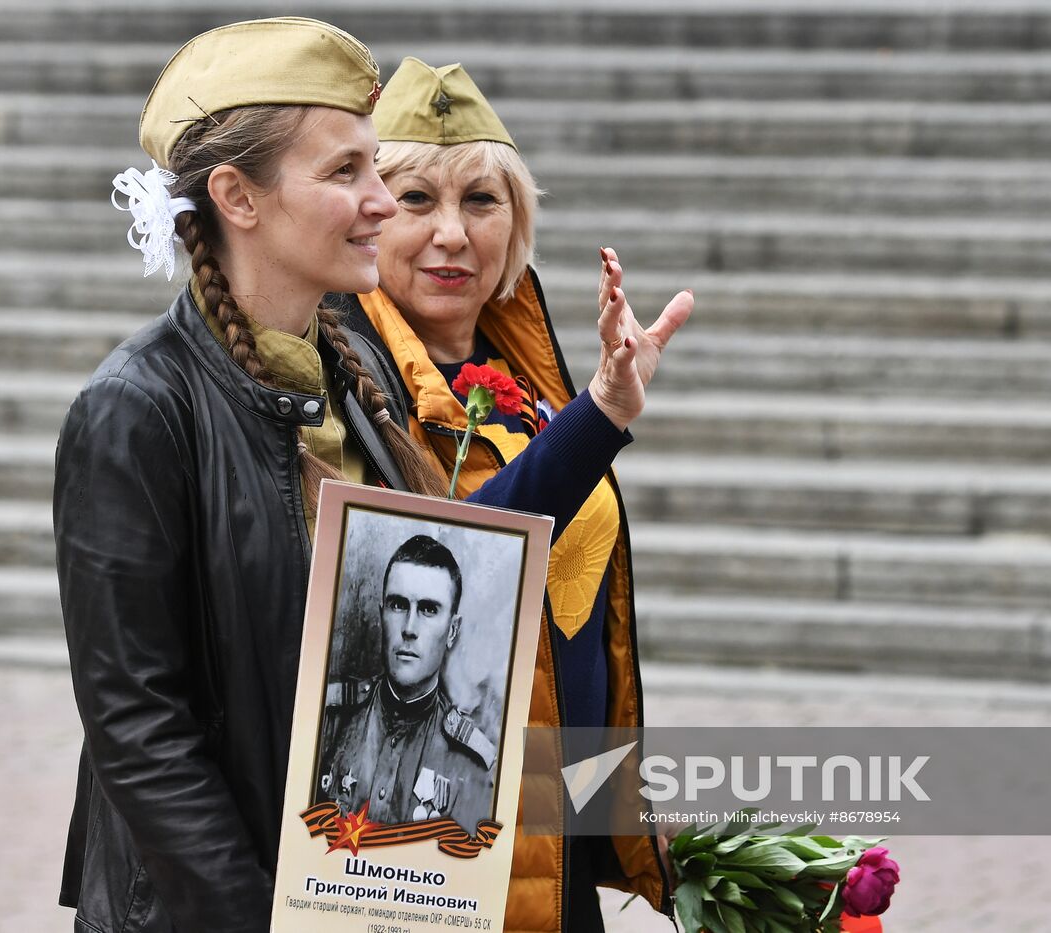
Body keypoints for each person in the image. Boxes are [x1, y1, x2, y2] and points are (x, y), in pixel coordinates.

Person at [54, 20, 691, 933]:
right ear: (237, 195)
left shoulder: (352, 381)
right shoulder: (138, 406)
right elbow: (140, 730)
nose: (383, 205)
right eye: (346, 173)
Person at [337, 58, 690, 932]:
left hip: (551, 841)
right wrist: (601, 413)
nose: (452, 234)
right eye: (416, 199)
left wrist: (627, 827)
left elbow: (577, 628)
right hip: (431, 850)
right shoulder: (347, 378)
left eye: (482, 201)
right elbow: (462, 557)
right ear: (367, 214)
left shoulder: (529, 376)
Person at [315, 534, 495, 835]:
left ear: (452, 630)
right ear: (381, 614)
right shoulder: (329, 717)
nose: (409, 629)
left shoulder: (474, 760)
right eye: (398, 605)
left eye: (428, 609)